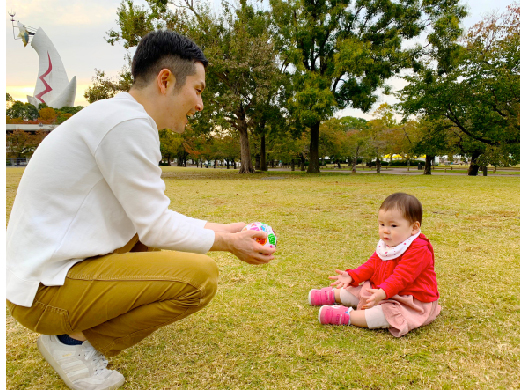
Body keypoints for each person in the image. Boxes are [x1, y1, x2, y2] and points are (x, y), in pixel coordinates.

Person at [6, 30, 275, 390]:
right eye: (198, 90)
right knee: (199, 278)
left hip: (43, 277)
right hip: (43, 293)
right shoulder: (127, 124)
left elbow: (151, 217)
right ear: (166, 80)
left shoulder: (118, 116)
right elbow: (155, 226)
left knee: (144, 241)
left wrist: (227, 229)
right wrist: (229, 244)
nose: (200, 104)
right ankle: (70, 343)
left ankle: (68, 334)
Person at [308, 193, 440, 337]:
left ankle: (348, 317)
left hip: (409, 300)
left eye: (393, 225)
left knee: (388, 314)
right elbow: (372, 265)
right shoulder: (389, 242)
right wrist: (352, 276)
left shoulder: (419, 248)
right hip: (384, 291)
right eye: (382, 224)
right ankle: (333, 295)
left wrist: (384, 292)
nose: (385, 230)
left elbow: (402, 276)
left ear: (414, 227)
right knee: (360, 291)